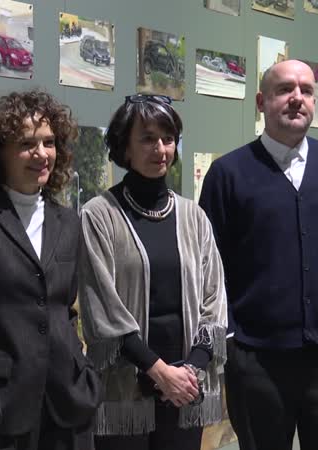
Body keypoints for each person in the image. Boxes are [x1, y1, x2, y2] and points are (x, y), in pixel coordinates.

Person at [198, 59, 318, 450]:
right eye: (285, 89)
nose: (297, 98)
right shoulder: (227, 174)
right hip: (256, 359)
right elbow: (210, 268)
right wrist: (230, 339)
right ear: (262, 101)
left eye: (307, 90)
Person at [0, 90, 101, 450]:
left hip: (67, 404)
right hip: (0, 405)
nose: (42, 154)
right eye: (26, 144)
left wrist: (83, 372)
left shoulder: (67, 221)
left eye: (49, 142)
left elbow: (63, 305)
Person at [77, 94, 228, 450]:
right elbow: (102, 308)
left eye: (168, 138)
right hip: (126, 390)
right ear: (124, 147)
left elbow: (214, 299)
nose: (160, 148)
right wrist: (159, 372)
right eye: (147, 138)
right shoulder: (98, 215)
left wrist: (190, 370)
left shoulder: (194, 217)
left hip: (187, 389)